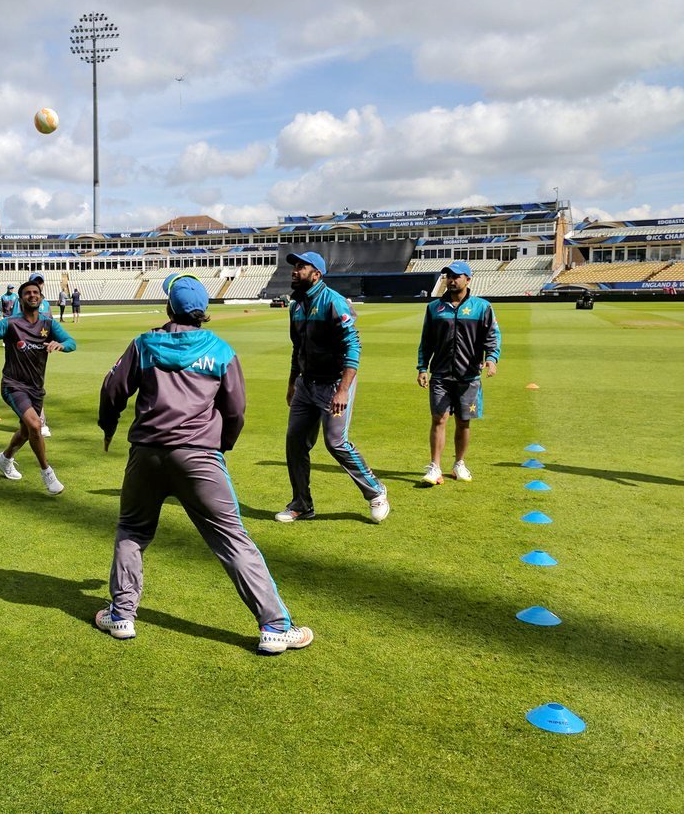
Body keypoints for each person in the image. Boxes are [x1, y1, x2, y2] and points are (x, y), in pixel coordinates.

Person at [96, 274, 313, 654]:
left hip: (146, 454)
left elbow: (112, 390)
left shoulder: (144, 344)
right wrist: (221, 446)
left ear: (169, 308)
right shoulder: (221, 350)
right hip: (199, 457)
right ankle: (275, 627)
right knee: (232, 540)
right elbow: (236, 410)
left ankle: (122, 615)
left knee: (132, 530)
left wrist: (109, 426)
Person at [278, 251, 389, 524]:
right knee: (295, 443)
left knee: (336, 442)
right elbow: (298, 348)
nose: (294, 270)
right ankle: (301, 504)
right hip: (306, 384)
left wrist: (343, 390)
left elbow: (353, 345)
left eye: (301, 267)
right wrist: (293, 382)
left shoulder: (334, 303)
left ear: (316, 274)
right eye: (294, 266)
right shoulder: (296, 305)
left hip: (334, 385)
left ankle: (376, 491)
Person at [0, 279, 75, 495]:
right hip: (13, 385)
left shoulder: (49, 324)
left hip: (36, 388)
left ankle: (5, 458)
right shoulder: (10, 323)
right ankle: (47, 473)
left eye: (36, 292)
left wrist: (61, 345)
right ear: (20, 299)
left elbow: (72, 343)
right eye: (27, 293)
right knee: (36, 426)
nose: (32, 295)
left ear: (41, 297)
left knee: (27, 431)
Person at [416, 261, 501, 485]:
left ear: (468, 279)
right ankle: (435, 467)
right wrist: (422, 367)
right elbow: (426, 341)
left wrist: (491, 359)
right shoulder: (434, 308)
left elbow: (492, 336)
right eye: (448, 276)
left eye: (456, 276)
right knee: (438, 419)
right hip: (441, 376)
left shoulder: (482, 307)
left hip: (469, 376)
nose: (451, 280)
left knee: (464, 422)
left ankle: (459, 464)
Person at [27, 272, 54, 438]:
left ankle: (31, 420)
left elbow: (50, 323)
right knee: (32, 386)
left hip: (41, 350)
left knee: (34, 385)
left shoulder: (46, 304)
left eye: (40, 283)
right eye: (35, 282)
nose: (38, 285)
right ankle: (40, 422)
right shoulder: (20, 302)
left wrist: (52, 341)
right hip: (25, 349)